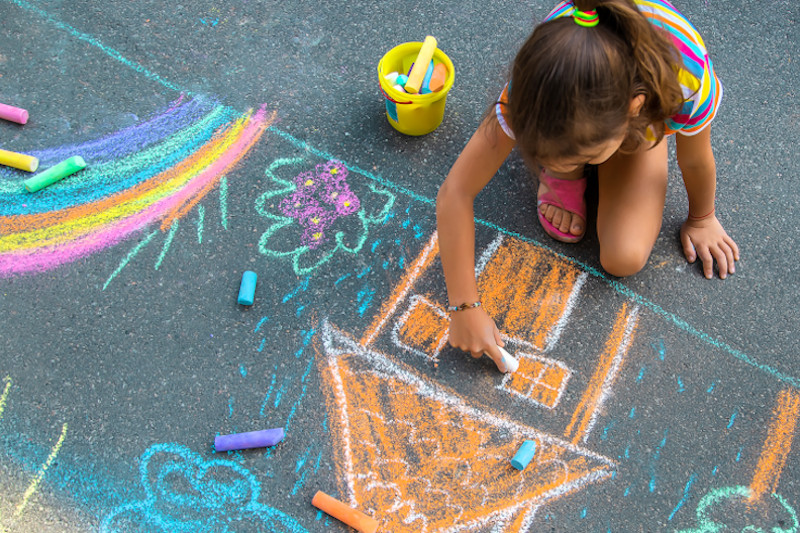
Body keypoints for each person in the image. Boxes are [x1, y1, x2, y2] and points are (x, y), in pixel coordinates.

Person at [435, 0, 740, 371]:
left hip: (643, 121)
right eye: (544, 157)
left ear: (632, 108)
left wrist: (702, 217)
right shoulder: (535, 85)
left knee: (624, 256)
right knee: (573, 148)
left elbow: (694, 159)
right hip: (594, 109)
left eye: (580, 156)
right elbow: (456, 191)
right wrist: (464, 306)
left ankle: (625, 144)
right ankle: (565, 161)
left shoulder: (683, 77)